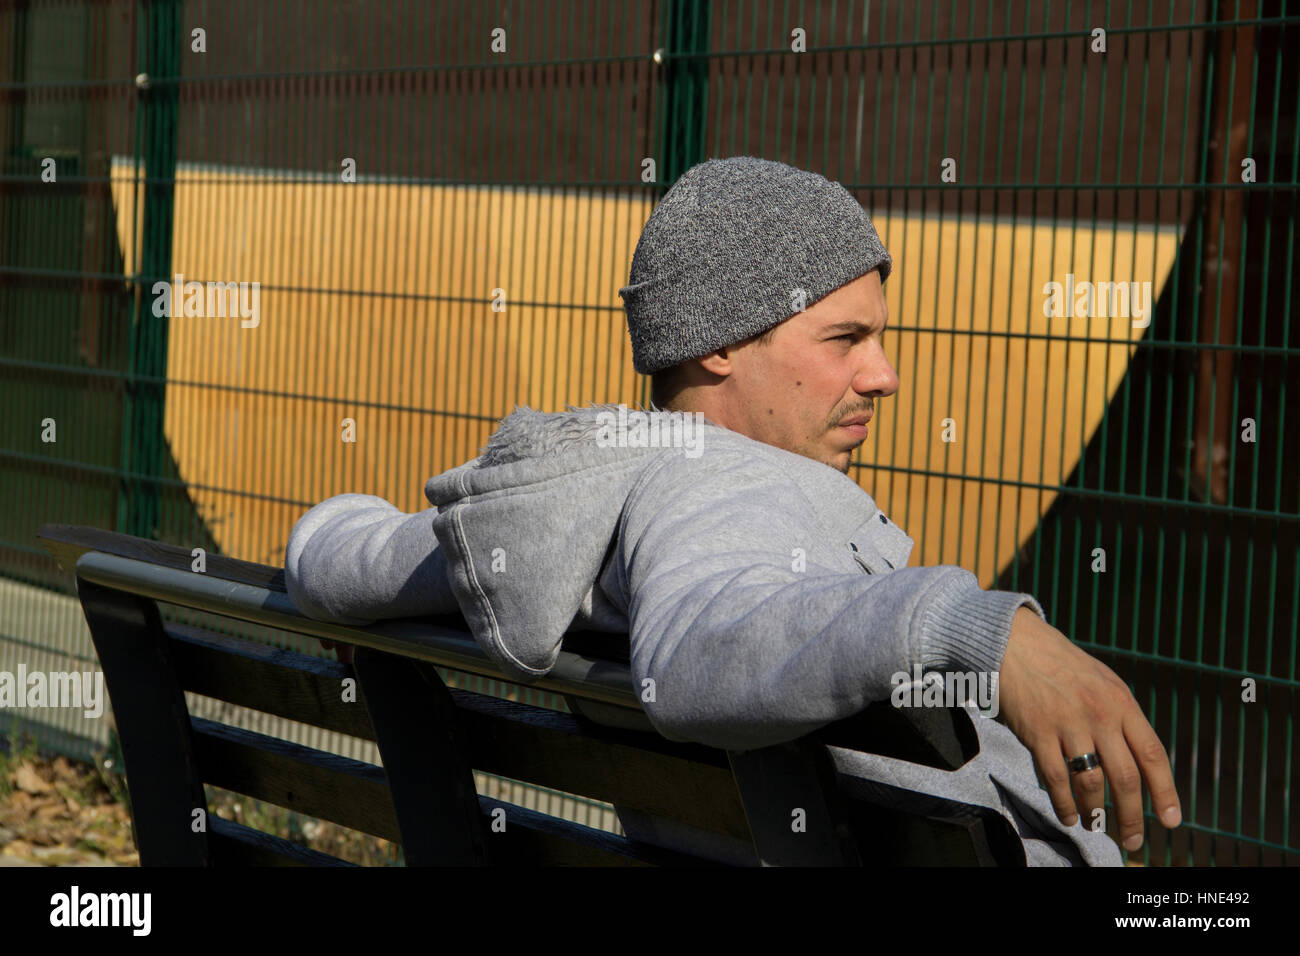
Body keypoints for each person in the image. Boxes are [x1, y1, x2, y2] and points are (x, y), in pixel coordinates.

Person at [285, 155, 1181, 866]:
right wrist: (976, 629)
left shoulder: (574, 509)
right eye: (846, 339)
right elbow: (701, 645)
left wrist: (358, 571)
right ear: (717, 346)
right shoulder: (723, 483)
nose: (885, 374)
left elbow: (336, 552)